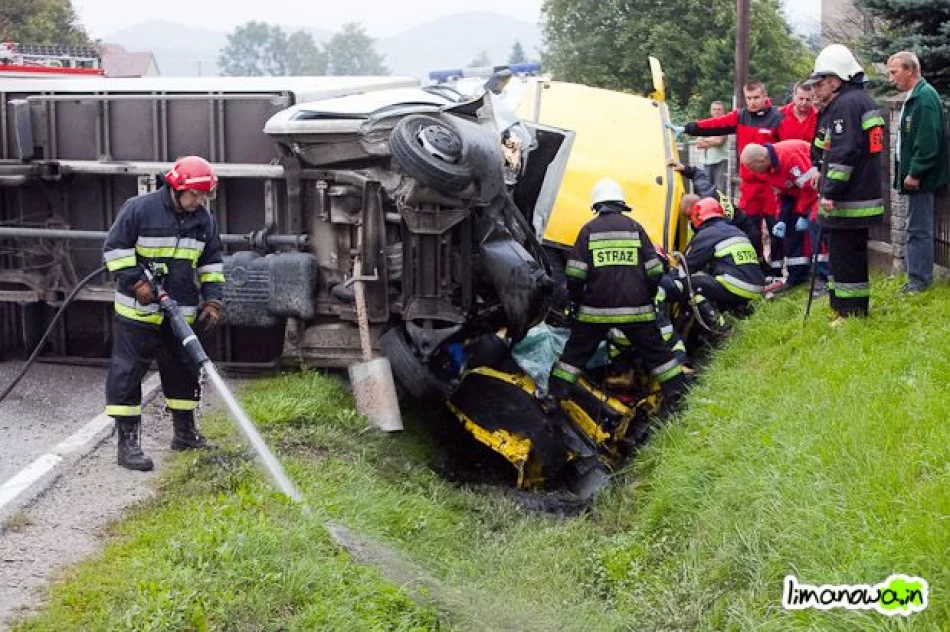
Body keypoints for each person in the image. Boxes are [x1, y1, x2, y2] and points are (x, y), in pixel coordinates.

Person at [103, 156, 225, 471]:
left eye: (204, 196)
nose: (199, 202)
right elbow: (115, 250)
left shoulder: (204, 221)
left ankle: (184, 434)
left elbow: (211, 265)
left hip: (180, 315)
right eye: (195, 195)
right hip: (137, 315)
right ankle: (128, 446)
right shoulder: (139, 209)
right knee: (128, 374)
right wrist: (136, 284)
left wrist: (213, 301)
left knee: (184, 372)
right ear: (176, 187)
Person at [550, 178, 688, 404]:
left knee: (574, 356)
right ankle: (679, 393)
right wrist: (648, 295)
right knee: (658, 354)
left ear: (596, 205)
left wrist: (576, 302)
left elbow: (575, 275)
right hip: (637, 310)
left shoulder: (588, 231)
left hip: (594, 312)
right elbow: (654, 270)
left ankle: (553, 396)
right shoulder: (635, 228)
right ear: (620, 203)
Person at [804, 44, 885, 319]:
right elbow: (826, 147)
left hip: (849, 199)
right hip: (858, 195)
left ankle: (850, 312)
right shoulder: (857, 101)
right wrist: (818, 168)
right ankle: (843, 308)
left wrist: (830, 190)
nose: (815, 88)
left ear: (836, 79)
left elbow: (843, 152)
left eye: (820, 81)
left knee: (847, 256)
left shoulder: (846, 105)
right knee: (844, 255)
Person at [887, 50, 949, 293]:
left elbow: (927, 142)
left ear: (910, 70)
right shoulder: (916, 95)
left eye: (895, 72)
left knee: (919, 229)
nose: (891, 78)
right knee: (915, 227)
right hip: (916, 176)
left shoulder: (924, 98)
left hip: (922, 178)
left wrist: (915, 172)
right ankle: (916, 279)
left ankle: (919, 282)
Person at [659, 198, 766, 318]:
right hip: (757, 287)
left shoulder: (707, 234)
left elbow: (687, 267)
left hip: (738, 287)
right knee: (710, 279)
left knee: (687, 285)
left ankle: (717, 325)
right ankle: (734, 311)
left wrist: (664, 281)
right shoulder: (735, 230)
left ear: (696, 217)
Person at [740, 141, 820, 292]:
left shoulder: (789, 158)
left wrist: (802, 213)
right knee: (790, 230)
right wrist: (782, 219)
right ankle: (796, 277)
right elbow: (783, 193)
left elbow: (810, 186)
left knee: (815, 229)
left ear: (761, 160)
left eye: (752, 168)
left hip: (816, 194)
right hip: (799, 195)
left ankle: (822, 277)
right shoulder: (770, 169)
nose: (753, 172)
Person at [672, 161, 757, 246]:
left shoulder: (709, 219)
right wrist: (684, 168)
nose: (691, 219)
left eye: (690, 216)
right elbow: (697, 173)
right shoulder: (704, 189)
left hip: (742, 230)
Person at [697, 101, 730, 193]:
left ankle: (720, 207)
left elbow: (719, 141)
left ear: (723, 111)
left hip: (720, 161)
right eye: (714, 109)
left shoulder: (725, 124)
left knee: (720, 190)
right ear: (711, 111)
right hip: (707, 162)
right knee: (707, 189)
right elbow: (699, 143)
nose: (716, 112)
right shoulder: (707, 124)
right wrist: (712, 140)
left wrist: (706, 140)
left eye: (719, 109)